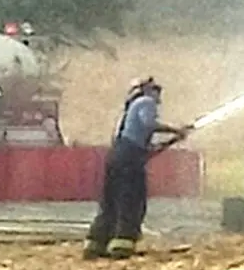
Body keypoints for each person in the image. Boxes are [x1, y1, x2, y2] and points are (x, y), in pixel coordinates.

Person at [83, 77, 193, 260]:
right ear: (148, 91)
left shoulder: (130, 110)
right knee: (131, 200)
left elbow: (145, 148)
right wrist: (175, 130)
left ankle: (96, 242)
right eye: (157, 91)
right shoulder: (146, 102)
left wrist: (175, 137)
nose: (159, 98)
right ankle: (122, 244)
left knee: (111, 200)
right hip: (129, 160)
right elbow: (149, 124)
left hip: (117, 156)